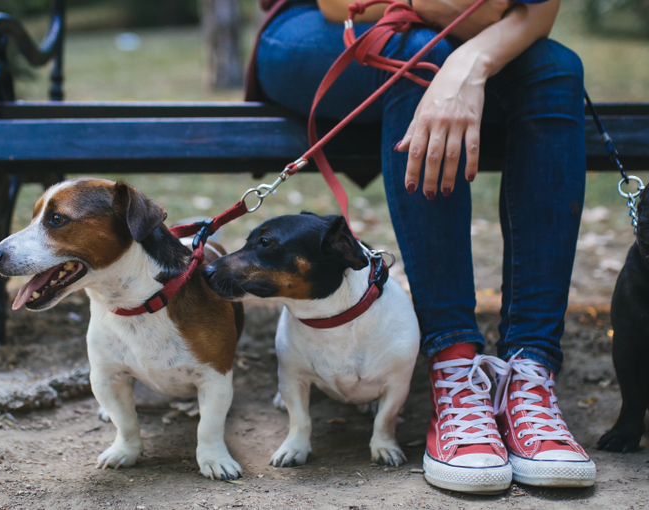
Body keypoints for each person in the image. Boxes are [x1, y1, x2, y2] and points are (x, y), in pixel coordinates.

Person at [250, 0, 595, 493]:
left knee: (558, 67)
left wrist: (468, 62)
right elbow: (336, 4)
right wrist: (443, 20)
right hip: (319, 29)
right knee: (419, 54)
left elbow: (537, 12)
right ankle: (454, 369)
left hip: (475, 39)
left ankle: (529, 372)